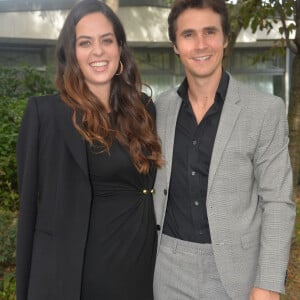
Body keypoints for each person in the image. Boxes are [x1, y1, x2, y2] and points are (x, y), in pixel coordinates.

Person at [16, 0, 162, 299]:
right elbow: (29, 212)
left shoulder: (143, 110)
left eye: (106, 40)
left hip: (139, 272)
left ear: (120, 48)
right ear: (72, 53)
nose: (98, 51)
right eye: (85, 43)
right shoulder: (45, 115)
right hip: (78, 276)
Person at [153, 0, 296, 299]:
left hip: (236, 271)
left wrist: (268, 282)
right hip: (167, 267)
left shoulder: (264, 110)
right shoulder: (157, 110)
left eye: (210, 32)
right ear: (176, 45)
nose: (201, 44)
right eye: (188, 34)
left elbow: (278, 202)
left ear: (225, 39)